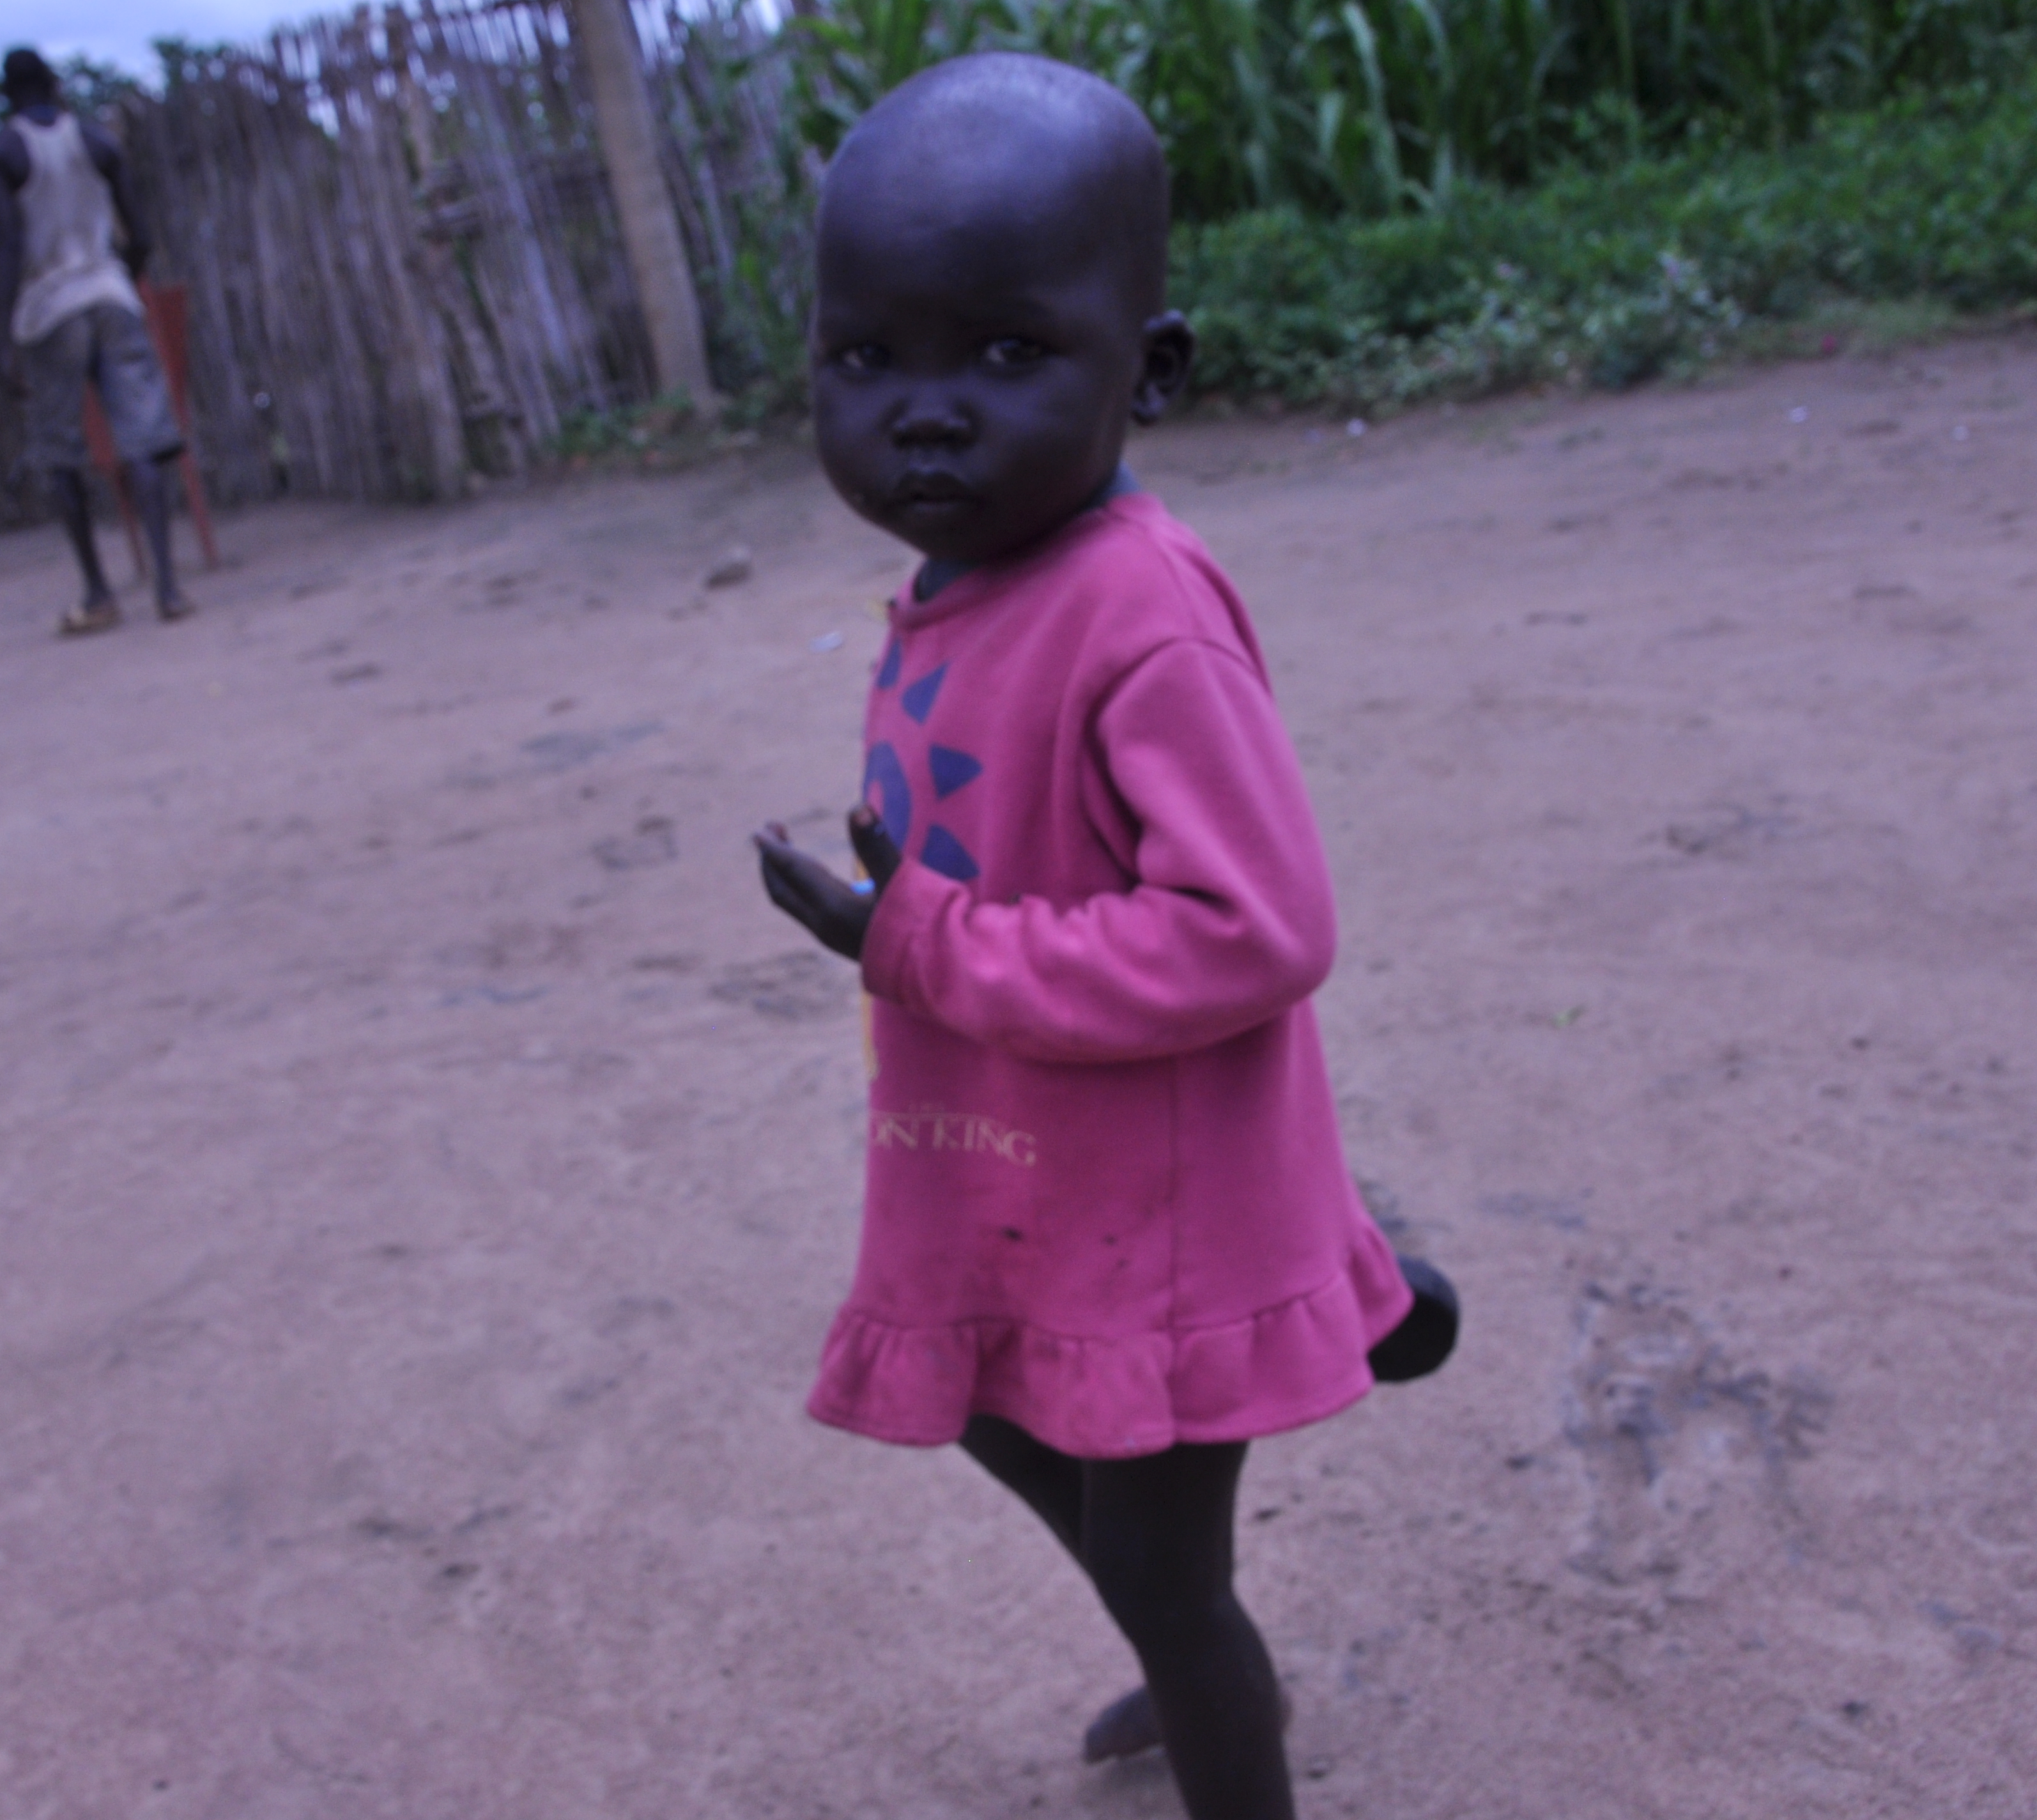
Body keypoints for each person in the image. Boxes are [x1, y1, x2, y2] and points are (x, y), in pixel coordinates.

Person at [753, 54, 1426, 1820]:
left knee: (1165, 1567)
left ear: (1155, 369)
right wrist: (890, 928)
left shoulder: (1142, 616)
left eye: (1001, 352)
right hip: (1032, 1151)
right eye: (865, 359)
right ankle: (1352, 1307)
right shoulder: (959, 582)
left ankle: (1214, 1691)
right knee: (978, 1394)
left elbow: (1256, 929)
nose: (922, 412)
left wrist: (924, 945)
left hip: (1164, 1197)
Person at [0, 47, 189, 635]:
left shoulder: (4, 153)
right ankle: (169, 587)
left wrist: (1, 335)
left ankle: (98, 592)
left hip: (51, 309)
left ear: (8, 94)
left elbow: (6, 244)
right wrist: (125, 271)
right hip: (111, 294)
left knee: (61, 452)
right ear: (55, 84)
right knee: (140, 441)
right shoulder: (98, 142)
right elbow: (140, 230)